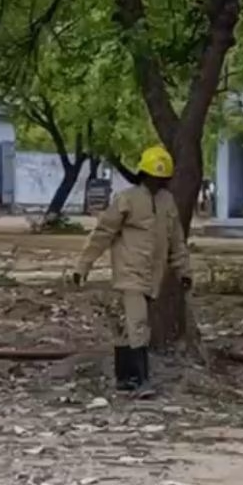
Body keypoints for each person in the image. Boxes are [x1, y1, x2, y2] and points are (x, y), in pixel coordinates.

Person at [72, 146, 191, 398]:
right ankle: (141, 381)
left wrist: (184, 271)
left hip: (153, 276)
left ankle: (124, 378)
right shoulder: (127, 199)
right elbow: (103, 234)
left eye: (163, 179)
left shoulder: (167, 202)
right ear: (144, 174)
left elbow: (177, 240)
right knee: (138, 324)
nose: (158, 183)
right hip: (129, 272)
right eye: (155, 177)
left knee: (129, 327)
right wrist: (83, 266)